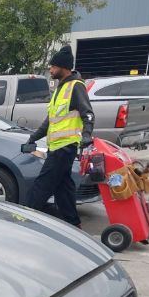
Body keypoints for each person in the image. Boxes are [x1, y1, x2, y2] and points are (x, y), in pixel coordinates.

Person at [21, 45, 95, 227]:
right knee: (64, 188)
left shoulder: (76, 87)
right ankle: (73, 223)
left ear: (63, 67)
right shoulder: (60, 89)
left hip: (66, 146)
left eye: (53, 66)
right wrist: (33, 138)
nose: (50, 69)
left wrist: (86, 135)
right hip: (57, 147)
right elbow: (50, 121)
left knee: (43, 183)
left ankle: (23, 218)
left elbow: (88, 114)